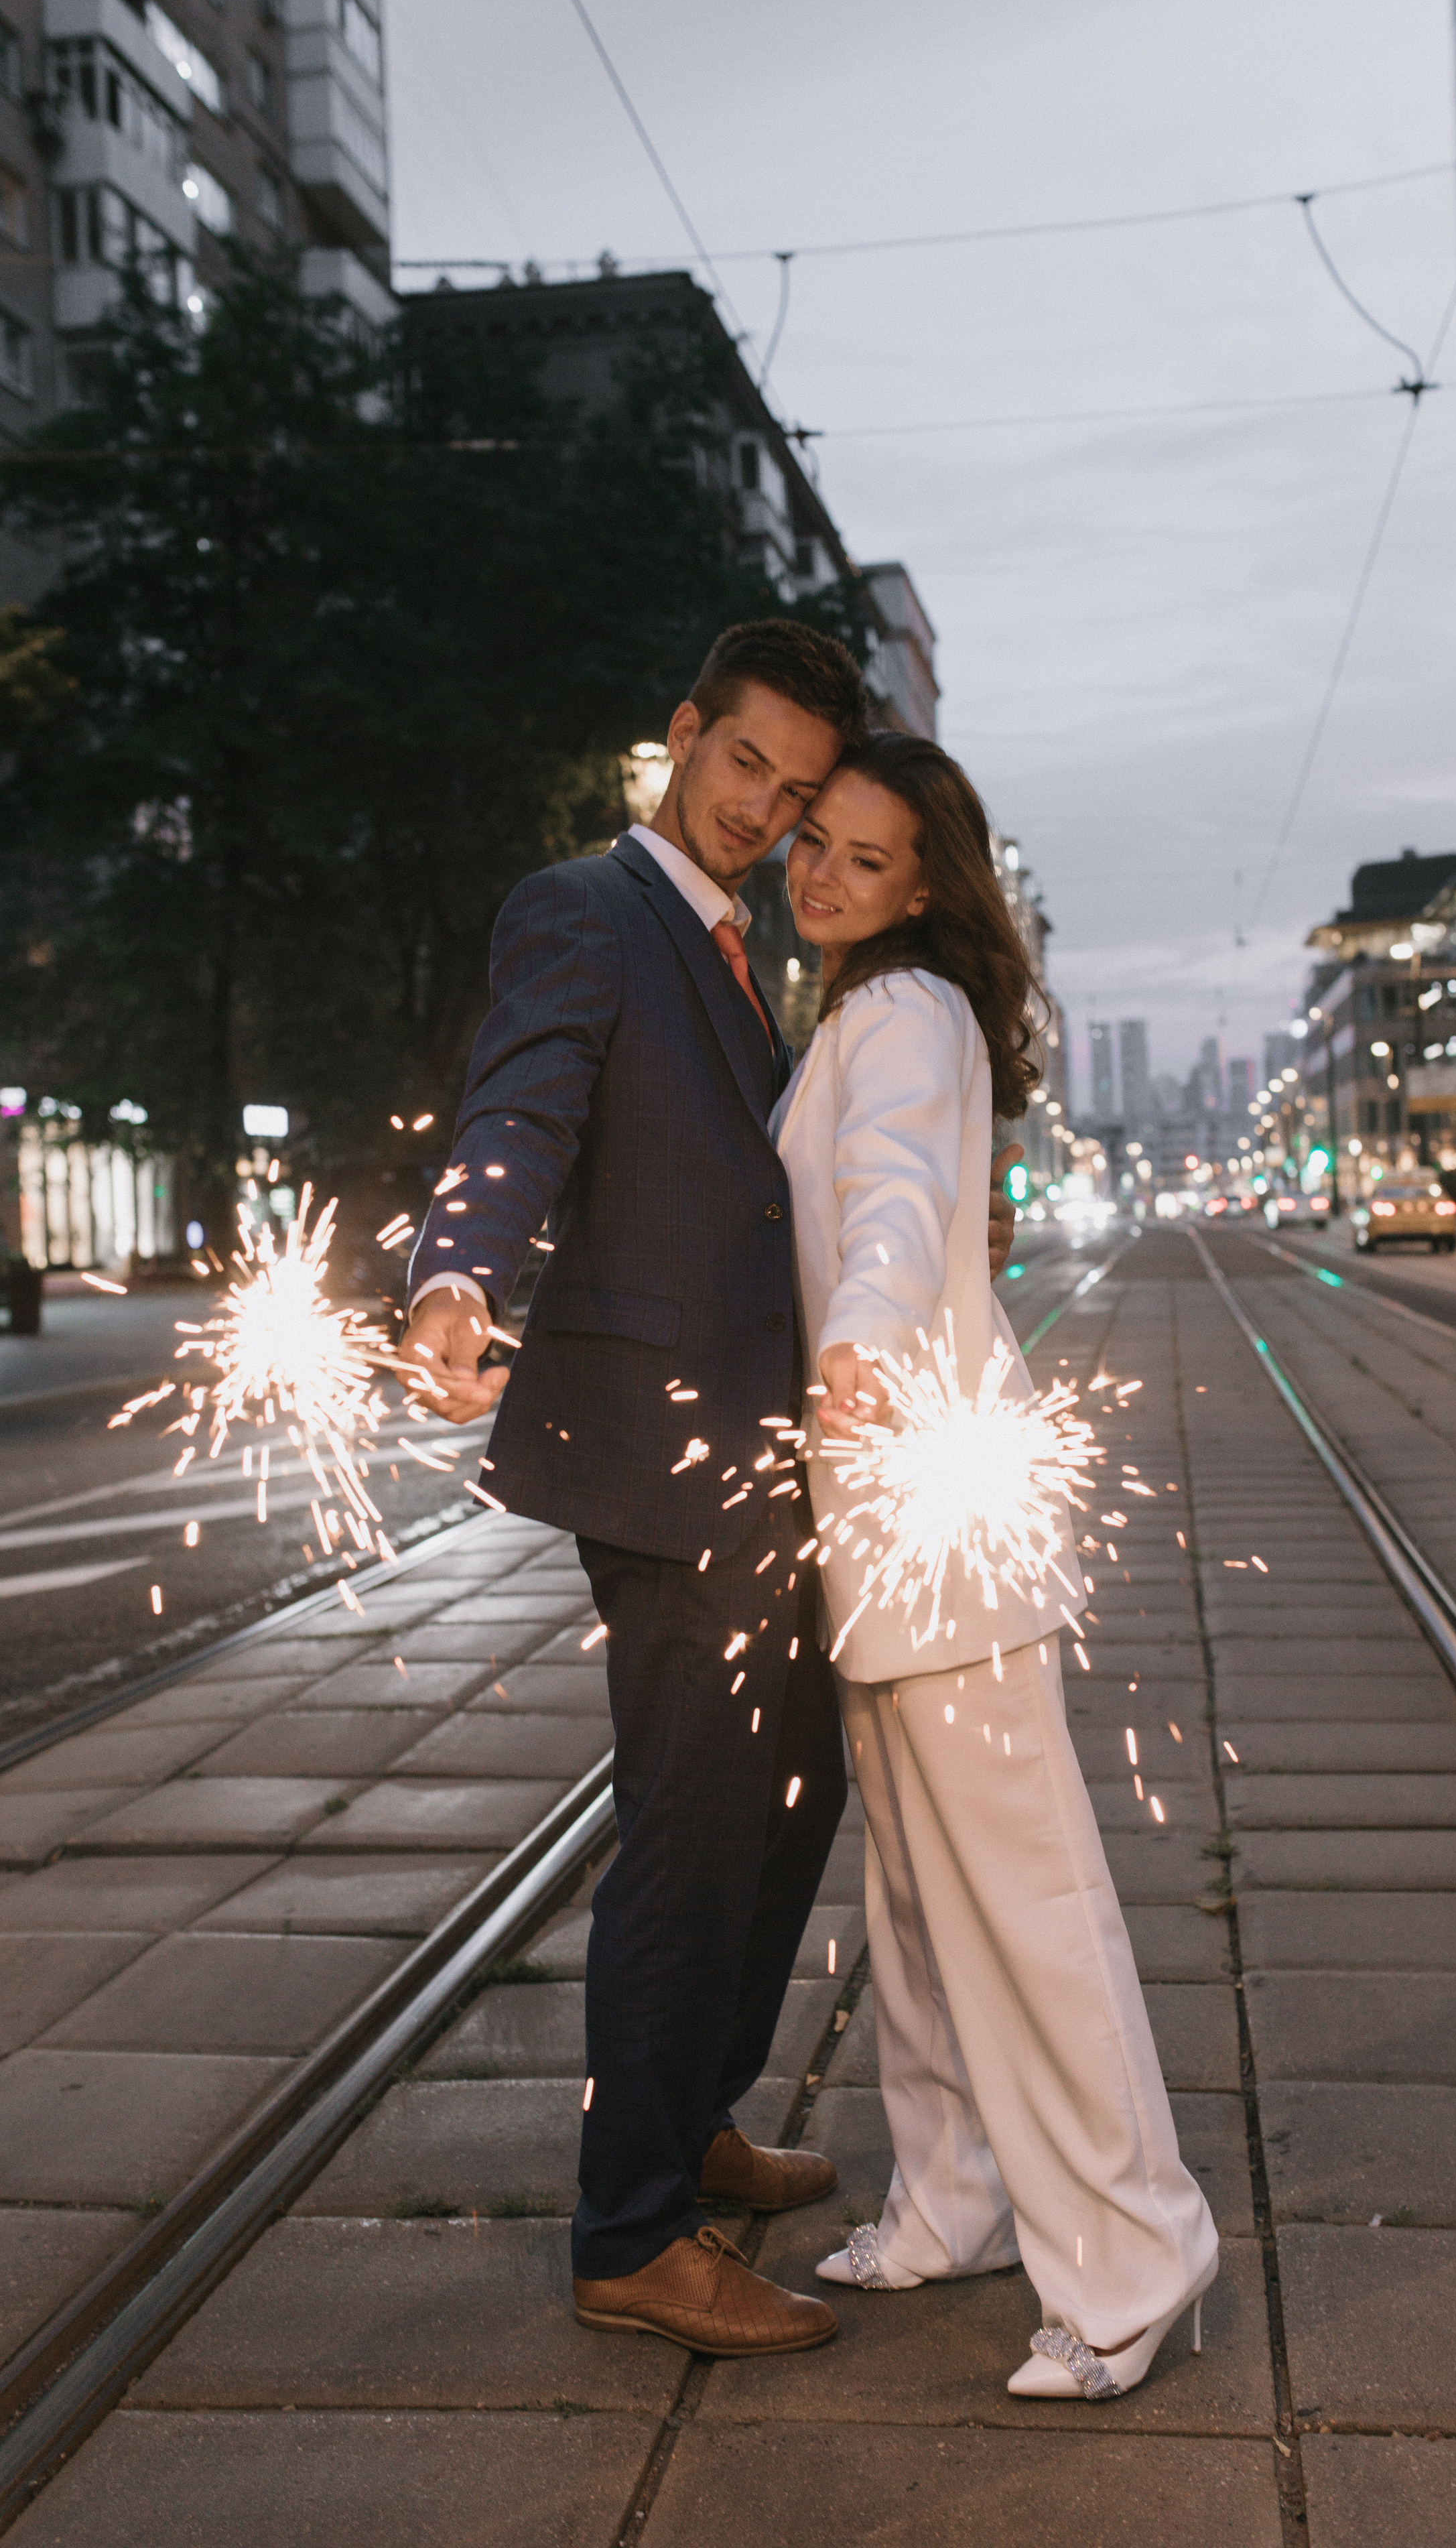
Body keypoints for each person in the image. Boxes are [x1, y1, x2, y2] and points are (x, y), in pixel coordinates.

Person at [401, 622, 1020, 2365]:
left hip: (774, 1469)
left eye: (804, 791)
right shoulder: (589, 912)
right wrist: (461, 1280)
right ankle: (631, 2232)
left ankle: (690, 2123)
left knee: (789, 1811)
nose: (769, 809)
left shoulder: (757, 960)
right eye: (747, 765)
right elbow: (519, 1110)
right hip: (672, 1473)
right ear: (683, 738)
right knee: (692, 1842)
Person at [769, 732, 1217, 2401]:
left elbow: (888, 1206)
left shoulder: (893, 1016)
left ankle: (1130, 2256)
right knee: (920, 1900)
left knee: (1023, 1907)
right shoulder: (876, 1013)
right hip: (891, 1521)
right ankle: (952, 2197)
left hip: (926, 1505)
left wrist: (867, 1333)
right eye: (815, 839)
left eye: (863, 859)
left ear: (924, 889)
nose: (820, 872)